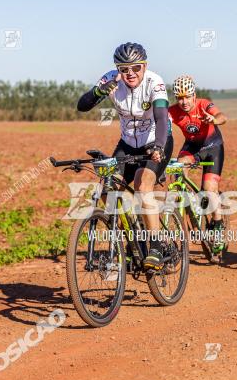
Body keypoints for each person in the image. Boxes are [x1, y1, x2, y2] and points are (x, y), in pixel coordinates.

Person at [76, 42, 174, 271]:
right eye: (124, 69)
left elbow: (161, 118)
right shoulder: (111, 79)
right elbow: (82, 105)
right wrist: (98, 92)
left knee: (142, 186)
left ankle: (157, 246)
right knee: (108, 194)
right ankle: (133, 242)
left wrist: (159, 146)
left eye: (136, 68)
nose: (130, 73)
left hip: (157, 140)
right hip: (128, 143)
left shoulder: (154, 81)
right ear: (117, 69)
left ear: (145, 66)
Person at [168, 74, 228, 250]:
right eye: (179, 97)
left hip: (213, 147)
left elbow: (222, 116)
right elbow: (161, 124)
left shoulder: (203, 104)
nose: (184, 101)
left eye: (187, 96)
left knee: (209, 190)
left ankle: (217, 228)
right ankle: (190, 218)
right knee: (177, 175)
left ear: (194, 94)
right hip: (192, 148)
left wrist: (214, 119)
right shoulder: (173, 111)